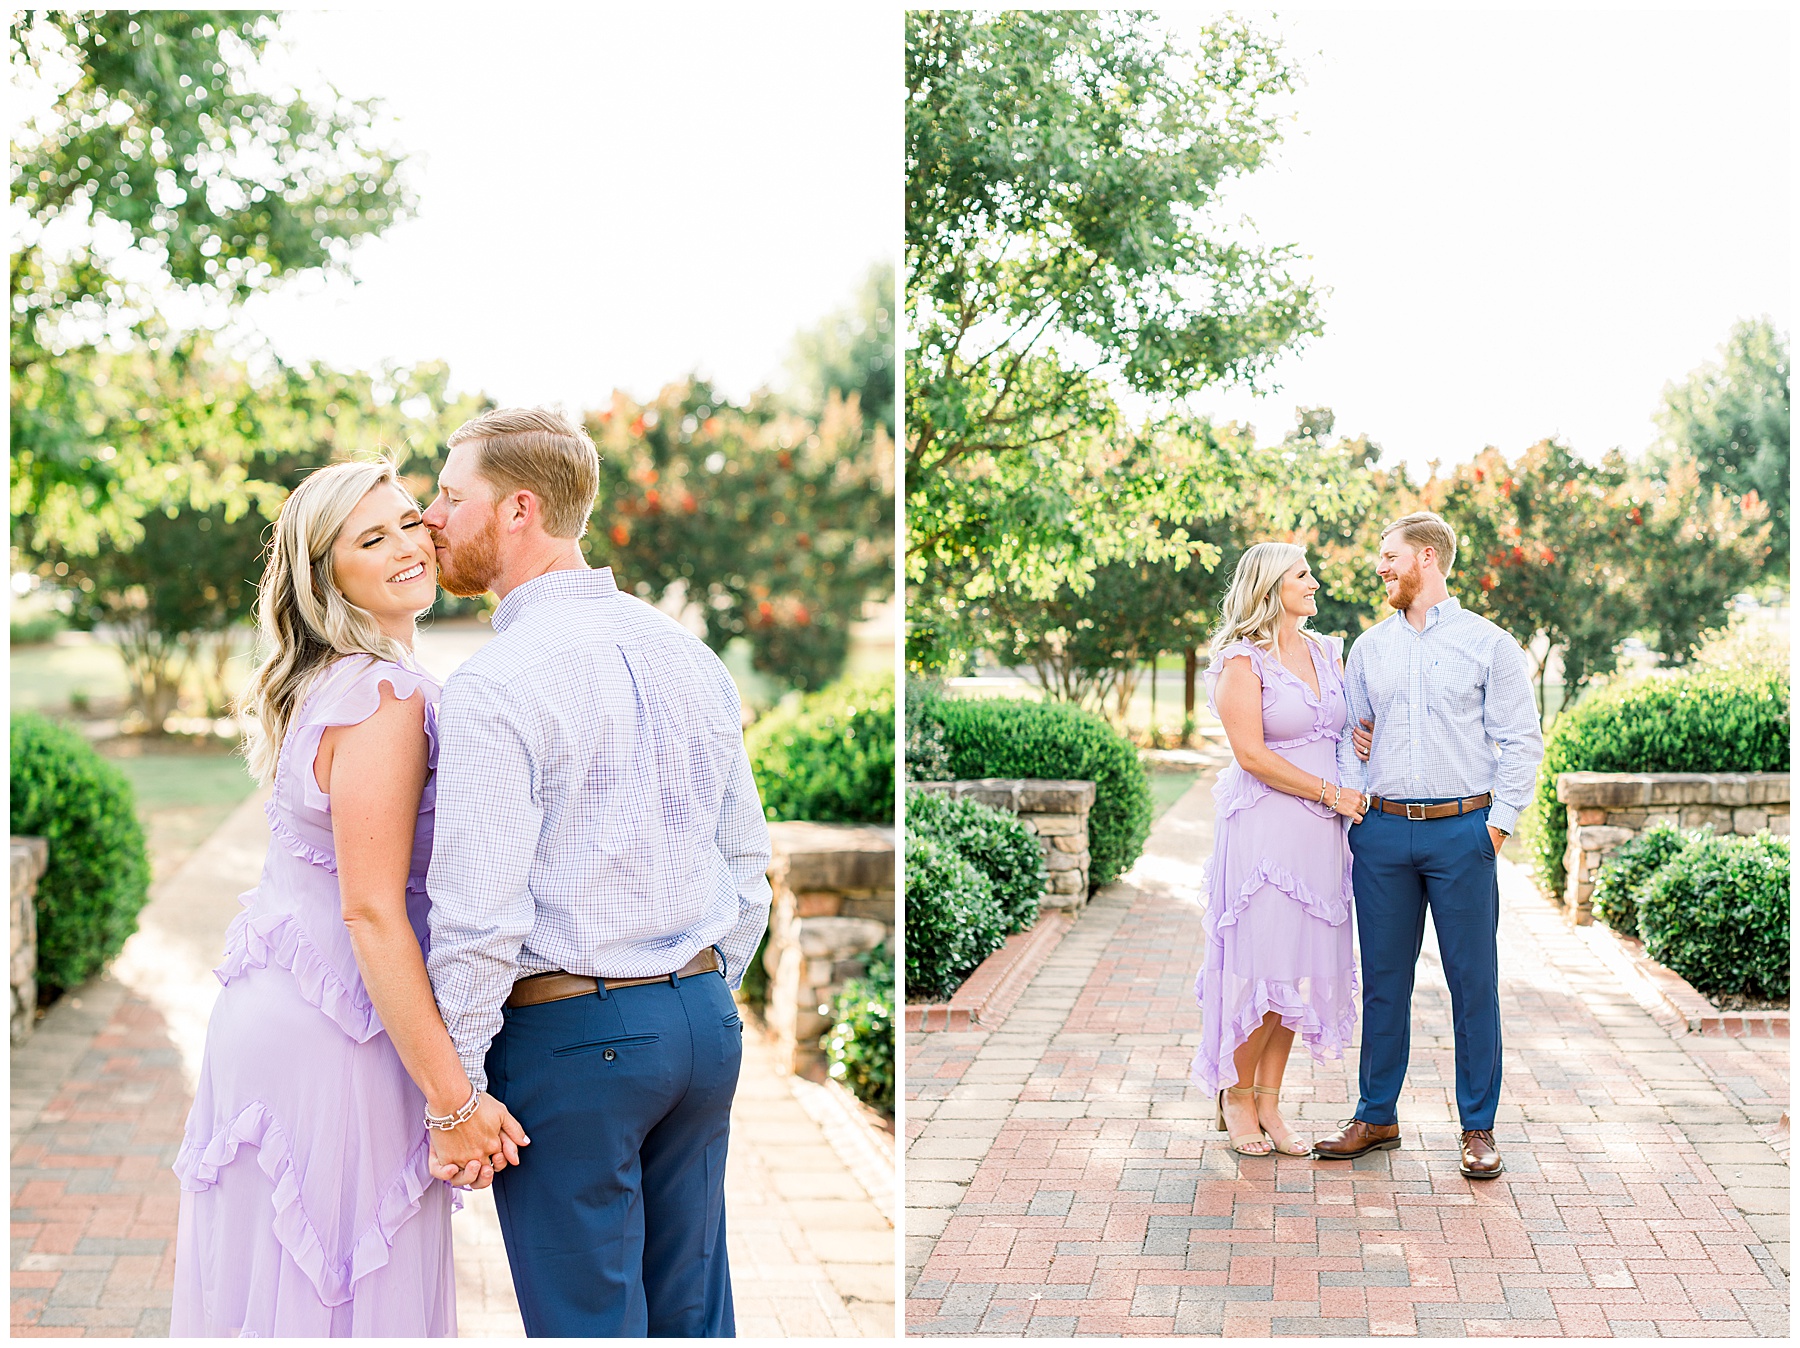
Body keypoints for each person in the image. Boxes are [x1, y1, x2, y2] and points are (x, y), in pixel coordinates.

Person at [420, 406, 773, 1337]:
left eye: (451, 497)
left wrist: (457, 1096)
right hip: (701, 1026)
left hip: (574, 1046)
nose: (430, 518)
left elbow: (479, 918)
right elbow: (747, 862)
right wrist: (703, 993)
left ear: (518, 510)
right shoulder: (688, 653)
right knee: (694, 1319)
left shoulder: (495, 683)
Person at [172, 459, 528, 1337]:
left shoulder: (334, 680)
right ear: (325, 574)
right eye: (372, 538)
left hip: (287, 1016)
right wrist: (454, 1103)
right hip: (342, 1033)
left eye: (410, 521)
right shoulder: (384, 696)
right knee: (341, 1293)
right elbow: (369, 910)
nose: (410, 546)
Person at [1315, 510, 1543, 1179]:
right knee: (1384, 983)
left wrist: (1497, 825)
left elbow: (1521, 741)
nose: (1380, 567)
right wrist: (1360, 809)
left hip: (1462, 832)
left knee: (1473, 983)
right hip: (1382, 833)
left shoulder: (1490, 645)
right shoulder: (1369, 648)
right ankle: (1376, 1115)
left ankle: (1478, 1127)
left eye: (1390, 556)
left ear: (1427, 557)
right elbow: (1349, 736)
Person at [1192, 542, 1367, 1157]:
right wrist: (1331, 793)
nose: (1315, 583)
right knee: (1262, 966)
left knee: (1297, 968)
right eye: (1302, 574)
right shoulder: (1242, 661)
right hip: (1266, 833)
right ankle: (1236, 1098)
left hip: (1322, 837)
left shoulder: (1327, 651)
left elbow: (1342, 727)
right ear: (1270, 587)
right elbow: (1251, 756)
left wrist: (1363, 737)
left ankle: (1270, 1102)